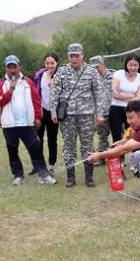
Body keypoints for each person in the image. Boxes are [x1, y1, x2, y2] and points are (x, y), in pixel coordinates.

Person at [0, 55, 55, 186]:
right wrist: (10, 90)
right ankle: (18, 175)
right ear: (6, 68)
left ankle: (43, 174)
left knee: (35, 149)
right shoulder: (0, 83)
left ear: (19, 67)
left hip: (26, 123)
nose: (12, 70)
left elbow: (36, 99)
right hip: (9, 124)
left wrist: (37, 117)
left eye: (14, 67)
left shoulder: (27, 81)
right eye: (9, 67)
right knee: (12, 151)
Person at [50, 43, 105, 188]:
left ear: (82, 56)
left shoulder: (91, 72)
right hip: (67, 116)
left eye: (77, 56)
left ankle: (89, 177)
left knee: (87, 146)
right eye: (71, 56)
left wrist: (100, 113)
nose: (74, 59)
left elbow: (99, 93)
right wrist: (53, 111)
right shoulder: (61, 72)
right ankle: (71, 178)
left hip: (86, 115)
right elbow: (54, 92)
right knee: (69, 146)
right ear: (68, 57)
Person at [31, 52, 61, 175]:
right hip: (41, 111)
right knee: (38, 139)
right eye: (47, 63)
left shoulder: (61, 75)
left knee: (52, 140)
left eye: (52, 63)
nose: (50, 65)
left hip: (54, 112)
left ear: (57, 63)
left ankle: (51, 165)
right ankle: (38, 165)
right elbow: (36, 92)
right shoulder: (39, 75)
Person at [109, 54, 140, 143]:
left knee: (134, 134)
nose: (133, 68)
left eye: (135, 65)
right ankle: (118, 156)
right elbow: (114, 93)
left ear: (139, 65)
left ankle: (136, 156)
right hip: (115, 108)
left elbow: (139, 98)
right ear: (126, 64)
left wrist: (121, 95)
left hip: (132, 109)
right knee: (116, 135)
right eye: (130, 65)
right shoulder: (118, 74)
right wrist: (131, 96)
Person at [89, 55, 114, 156]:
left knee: (117, 136)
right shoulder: (91, 80)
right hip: (100, 114)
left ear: (103, 65)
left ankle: (119, 159)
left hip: (113, 112)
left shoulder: (113, 77)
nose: (95, 69)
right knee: (102, 136)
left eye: (96, 67)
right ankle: (102, 157)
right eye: (92, 68)